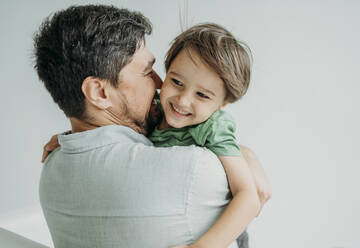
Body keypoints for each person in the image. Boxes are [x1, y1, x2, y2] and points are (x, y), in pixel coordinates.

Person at [35, 5, 271, 248]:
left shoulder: (50, 172)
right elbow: (247, 195)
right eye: (147, 72)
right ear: (100, 92)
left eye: (202, 94)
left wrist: (69, 137)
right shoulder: (196, 169)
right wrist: (246, 155)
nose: (160, 83)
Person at [148, 23, 258, 247]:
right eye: (176, 82)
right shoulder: (152, 108)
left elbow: (248, 196)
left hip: (222, 235)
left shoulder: (212, 127)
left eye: (202, 95)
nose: (182, 100)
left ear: (222, 104)